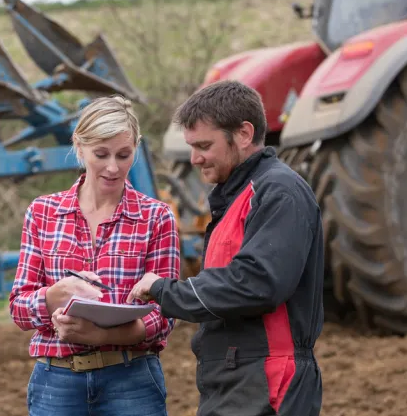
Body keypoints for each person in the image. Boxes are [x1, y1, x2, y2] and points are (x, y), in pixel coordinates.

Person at [128, 80, 324, 416]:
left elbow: (256, 283)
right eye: (191, 146)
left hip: (267, 380)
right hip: (235, 377)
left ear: (244, 134)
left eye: (204, 144)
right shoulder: (236, 198)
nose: (194, 158)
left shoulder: (278, 192)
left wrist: (164, 291)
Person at [9, 95, 181, 416]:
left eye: (124, 154)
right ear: (79, 146)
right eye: (101, 154)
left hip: (130, 380)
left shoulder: (157, 217)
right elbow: (19, 307)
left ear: (137, 149)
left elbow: (164, 314)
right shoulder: (43, 212)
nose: (113, 167)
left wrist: (106, 334)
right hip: (56, 379)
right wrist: (54, 297)